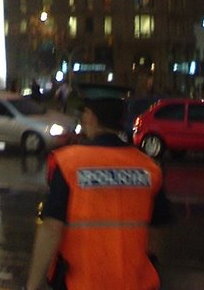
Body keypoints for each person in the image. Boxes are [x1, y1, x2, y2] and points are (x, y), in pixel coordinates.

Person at [25, 97, 170, 290]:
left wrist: (32, 286)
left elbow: (51, 229)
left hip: (83, 282)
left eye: (84, 114)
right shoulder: (149, 168)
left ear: (90, 117)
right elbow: (156, 233)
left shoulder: (70, 163)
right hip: (135, 283)